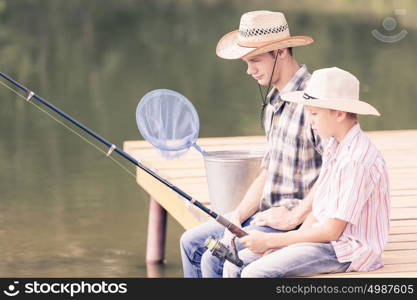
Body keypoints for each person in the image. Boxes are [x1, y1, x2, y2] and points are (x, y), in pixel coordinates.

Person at [180, 10, 323, 277]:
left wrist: (295, 217)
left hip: (295, 223)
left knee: (215, 259)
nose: (249, 70)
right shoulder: (273, 102)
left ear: (280, 52)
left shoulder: (315, 99)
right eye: (246, 62)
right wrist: (235, 215)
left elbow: (336, 172)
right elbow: (268, 171)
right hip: (265, 215)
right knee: (190, 242)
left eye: (255, 60)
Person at [223, 67, 390, 277]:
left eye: (314, 114)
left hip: (345, 249)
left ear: (339, 113)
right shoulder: (334, 146)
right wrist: (286, 246)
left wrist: (273, 241)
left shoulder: (355, 160)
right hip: (322, 239)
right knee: (234, 264)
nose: (309, 122)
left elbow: (332, 231)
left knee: (254, 273)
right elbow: (318, 211)